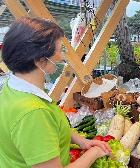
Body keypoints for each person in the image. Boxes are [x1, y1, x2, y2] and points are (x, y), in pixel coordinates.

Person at [0, 17, 111, 168]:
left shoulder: (13, 87)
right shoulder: (34, 113)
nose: (62, 57)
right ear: (40, 60)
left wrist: (81, 141)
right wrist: (94, 153)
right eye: (59, 50)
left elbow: (46, 131)